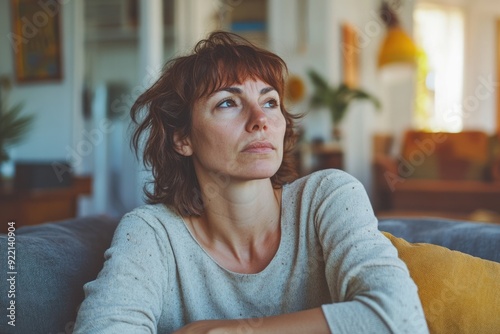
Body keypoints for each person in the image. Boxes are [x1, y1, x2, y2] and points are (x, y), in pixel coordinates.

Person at [74, 31, 428, 334]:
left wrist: (228, 330)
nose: (260, 119)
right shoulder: (152, 233)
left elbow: (401, 320)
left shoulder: (329, 197)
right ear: (183, 139)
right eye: (228, 102)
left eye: (270, 102)